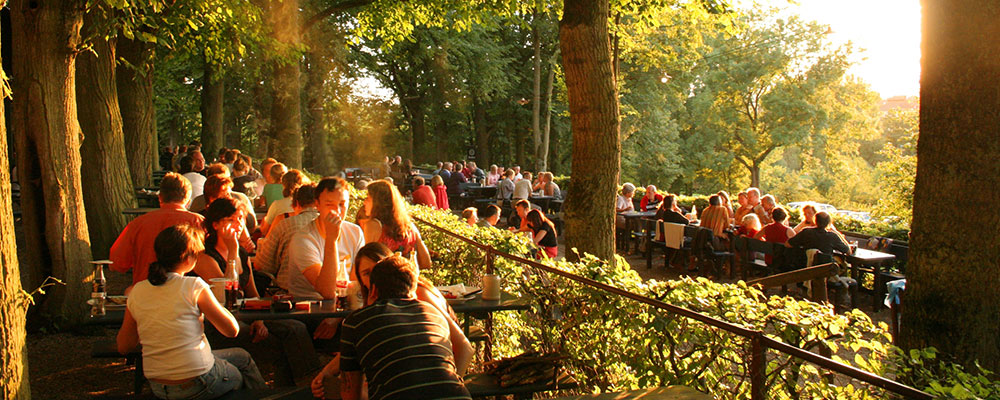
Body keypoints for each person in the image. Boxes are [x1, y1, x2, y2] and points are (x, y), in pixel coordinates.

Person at [116, 225, 266, 399]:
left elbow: (124, 346)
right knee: (238, 372)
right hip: (197, 379)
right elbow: (231, 330)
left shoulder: (137, 291)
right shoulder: (193, 286)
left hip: (157, 383)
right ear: (188, 258)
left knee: (239, 357)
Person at [312, 247, 473, 399]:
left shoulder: (356, 321)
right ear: (412, 287)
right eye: (365, 273)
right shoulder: (433, 314)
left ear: (374, 290)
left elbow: (351, 395)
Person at [110, 173, 204, 284]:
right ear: (188, 201)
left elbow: (117, 263)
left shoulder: (137, 224)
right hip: (188, 293)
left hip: (146, 291)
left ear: (160, 198)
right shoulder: (198, 223)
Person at [286, 177, 366, 301]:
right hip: (309, 310)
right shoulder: (303, 240)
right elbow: (327, 291)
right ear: (317, 205)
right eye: (329, 205)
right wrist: (331, 239)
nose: (337, 211)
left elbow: (356, 284)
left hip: (346, 306)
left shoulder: (355, 233)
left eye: (342, 204)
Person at [359, 180, 433, 273]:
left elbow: (365, 264)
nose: (364, 202)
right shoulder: (409, 227)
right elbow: (426, 263)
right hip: (408, 283)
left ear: (378, 202)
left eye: (368, 198)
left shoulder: (373, 225)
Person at [254, 184, 318, 285]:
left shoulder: (286, 224)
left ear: (296, 203)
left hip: (289, 291)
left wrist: (261, 244)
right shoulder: (332, 225)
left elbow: (262, 265)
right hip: (324, 292)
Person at [786, 211, 851, 265]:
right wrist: (838, 234)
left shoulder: (806, 232)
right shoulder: (832, 236)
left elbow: (788, 244)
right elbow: (848, 251)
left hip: (805, 268)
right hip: (825, 271)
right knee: (843, 264)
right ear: (829, 223)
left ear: (815, 220)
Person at [260, 169, 309, 237]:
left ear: (283, 185)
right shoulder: (310, 207)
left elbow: (265, 231)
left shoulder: (277, 205)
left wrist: (264, 221)